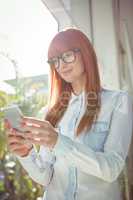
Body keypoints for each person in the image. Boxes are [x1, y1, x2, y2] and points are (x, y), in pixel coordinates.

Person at [5, 28, 133, 200]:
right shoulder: (51, 113)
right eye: (55, 60)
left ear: (85, 53)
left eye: (67, 55)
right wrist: (26, 154)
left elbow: (112, 169)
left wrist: (58, 142)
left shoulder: (118, 102)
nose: (61, 64)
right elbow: (46, 177)